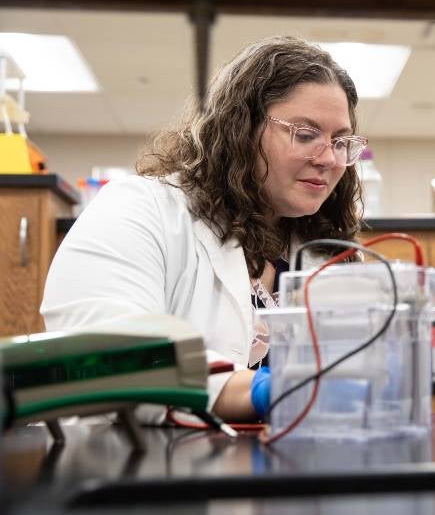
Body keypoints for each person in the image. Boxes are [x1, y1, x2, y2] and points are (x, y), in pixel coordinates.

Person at [41, 36, 368, 422]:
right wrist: (259, 391)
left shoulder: (325, 252)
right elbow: (101, 353)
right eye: (306, 134)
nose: (329, 158)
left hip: (290, 467)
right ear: (241, 128)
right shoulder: (139, 210)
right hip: (146, 467)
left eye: (340, 141)